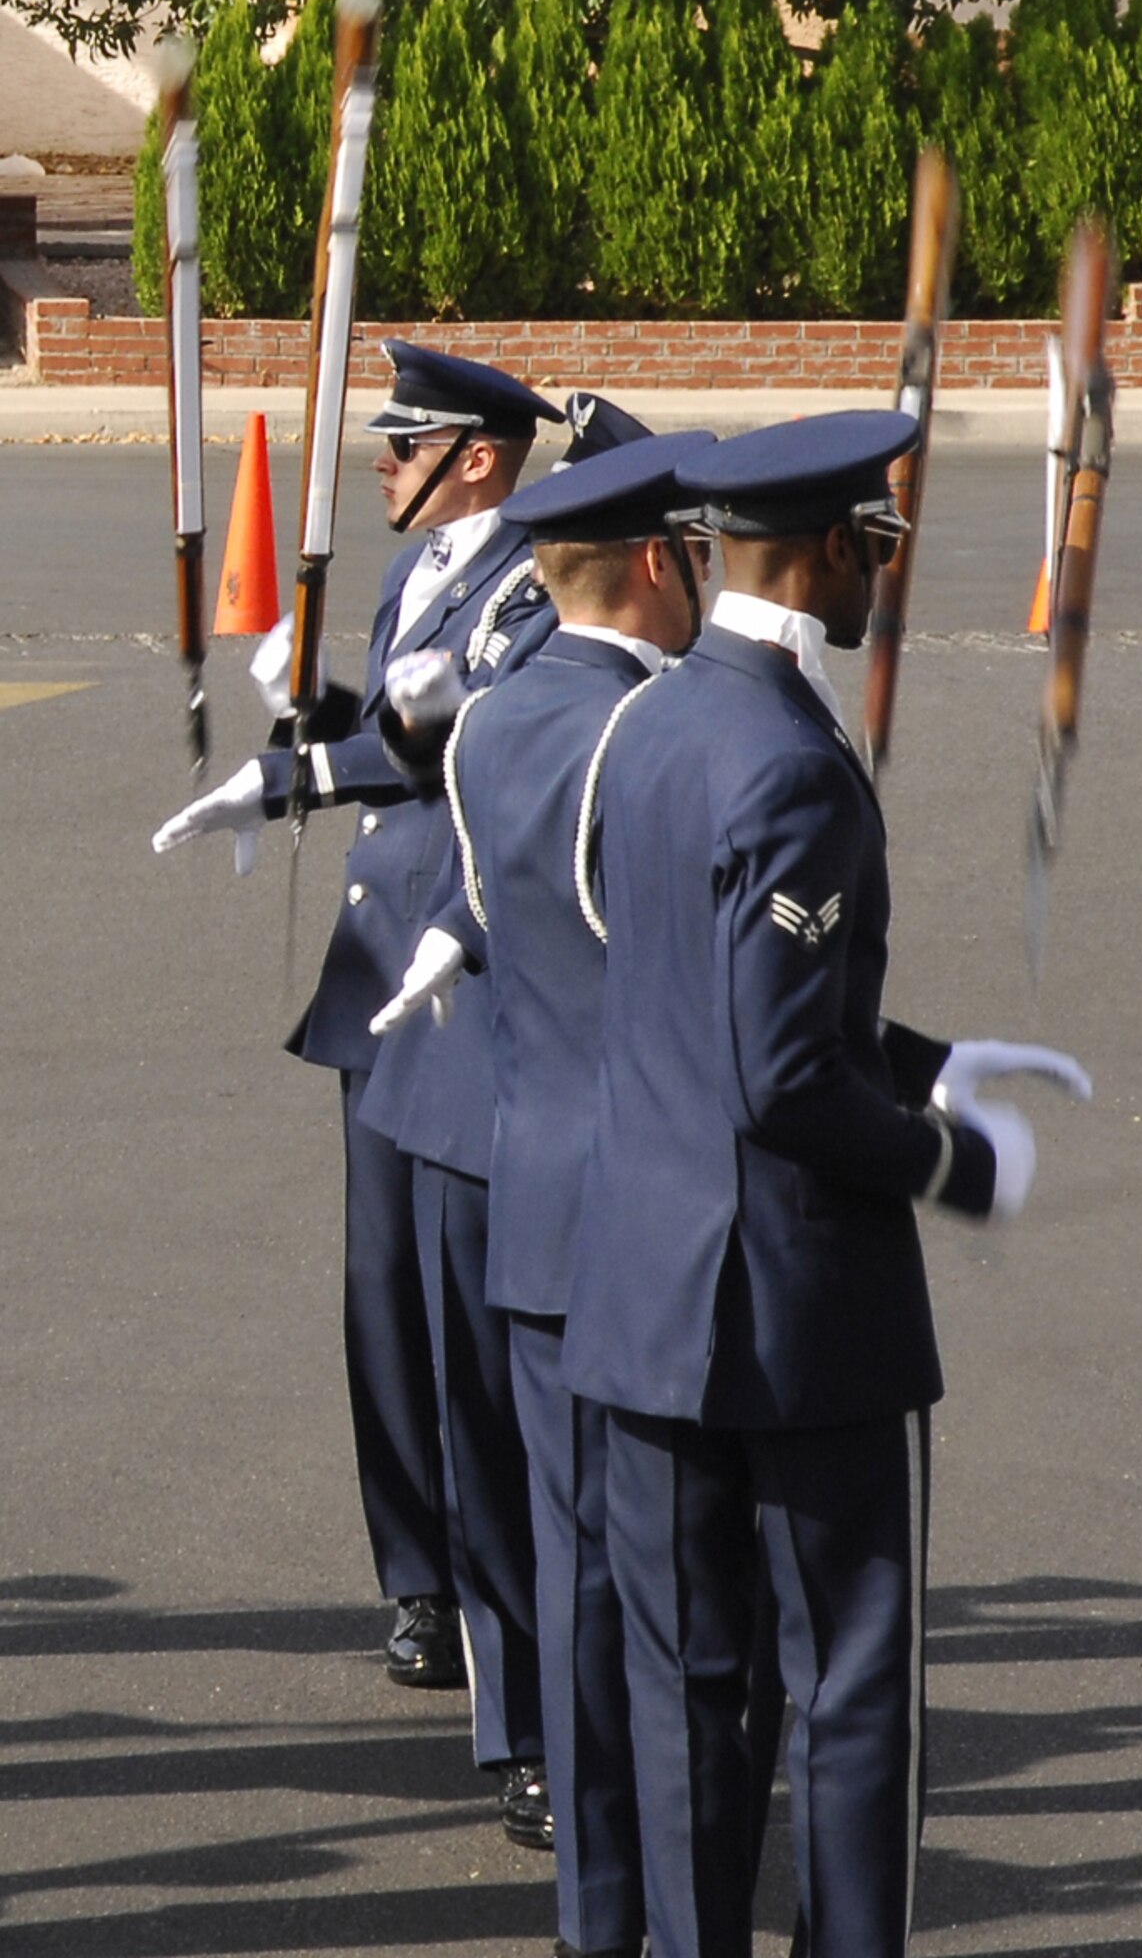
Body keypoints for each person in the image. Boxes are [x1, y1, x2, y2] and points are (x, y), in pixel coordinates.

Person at [559, 412, 1092, 1958]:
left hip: (647, 1295)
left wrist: (927, 1057)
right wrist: (949, 1157)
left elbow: (686, 993)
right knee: (854, 1690)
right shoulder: (792, 760)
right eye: (882, 545)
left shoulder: (647, 723)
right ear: (829, 549)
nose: (886, 577)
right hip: (797, 1311)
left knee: (687, 1698)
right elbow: (778, 1074)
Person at [153, 343, 566, 1846]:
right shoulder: (430, 568)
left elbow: (456, 757)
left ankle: (527, 1717)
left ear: (474, 455)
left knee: (476, 1356)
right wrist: (311, 718)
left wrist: (333, 760)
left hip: (463, 999)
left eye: (402, 446)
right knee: (382, 1303)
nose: (380, 466)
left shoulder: (527, 579)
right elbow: (392, 734)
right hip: (378, 978)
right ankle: (424, 1578)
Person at [372, 432, 714, 1958]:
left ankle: (591, 1871)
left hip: (528, 1194)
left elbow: (484, 913)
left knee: (570, 1558)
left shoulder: (498, 732)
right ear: (658, 560)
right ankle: (666, 1859)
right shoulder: (670, 741)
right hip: (660, 1231)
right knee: (688, 1598)